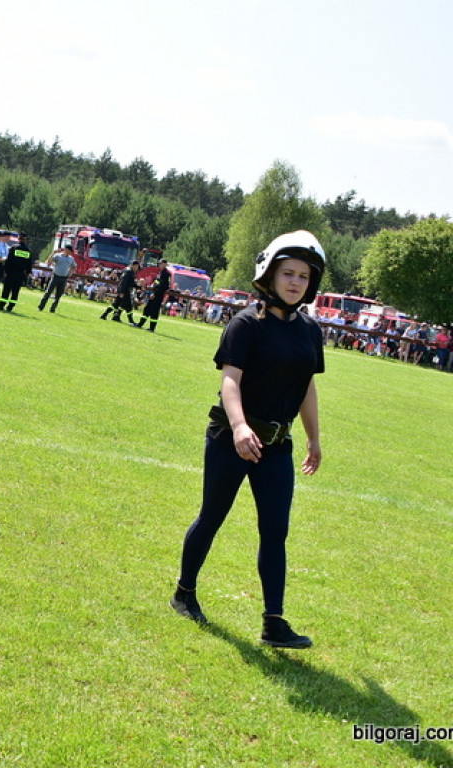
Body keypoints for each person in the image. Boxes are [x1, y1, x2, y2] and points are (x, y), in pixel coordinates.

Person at [171, 230, 326, 649]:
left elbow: (307, 387)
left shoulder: (310, 331)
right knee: (212, 516)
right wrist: (240, 427)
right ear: (270, 274)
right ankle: (184, 593)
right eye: (288, 273)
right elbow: (230, 381)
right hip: (230, 438)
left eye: (304, 276)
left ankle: (273, 622)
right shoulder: (245, 323)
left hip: (277, 446)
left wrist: (314, 438)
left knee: (275, 531)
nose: (296, 282)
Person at [0, 234, 33, 312]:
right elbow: (29, 264)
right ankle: (10, 307)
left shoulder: (14, 248)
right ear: (25, 239)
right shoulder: (28, 251)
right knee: (15, 291)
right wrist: (27, 273)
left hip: (11, 272)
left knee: (6, 290)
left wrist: (6, 271)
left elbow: (8, 261)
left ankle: (1, 305)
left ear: (18, 239)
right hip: (21, 273)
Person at [135, 258, 171, 333]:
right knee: (147, 309)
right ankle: (140, 324)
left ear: (165, 265)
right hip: (154, 293)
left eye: (161, 264)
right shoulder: (160, 273)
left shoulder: (166, 274)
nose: (159, 265)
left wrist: (155, 293)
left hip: (158, 295)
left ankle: (152, 328)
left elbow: (163, 286)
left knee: (154, 311)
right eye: (159, 263)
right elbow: (156, 283)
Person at [37, 244, 76, 313]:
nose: (71, 252)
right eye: (70, 251)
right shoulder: (58, 256)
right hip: (56, 276)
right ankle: (40, 307)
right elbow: (49, 262)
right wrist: (53, 253)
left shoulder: (71, 258)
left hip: (64, 278)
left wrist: (70, 273)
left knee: (58, 295)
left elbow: (74, 266)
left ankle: (53, 309)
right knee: (48, 292)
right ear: (66, 250)